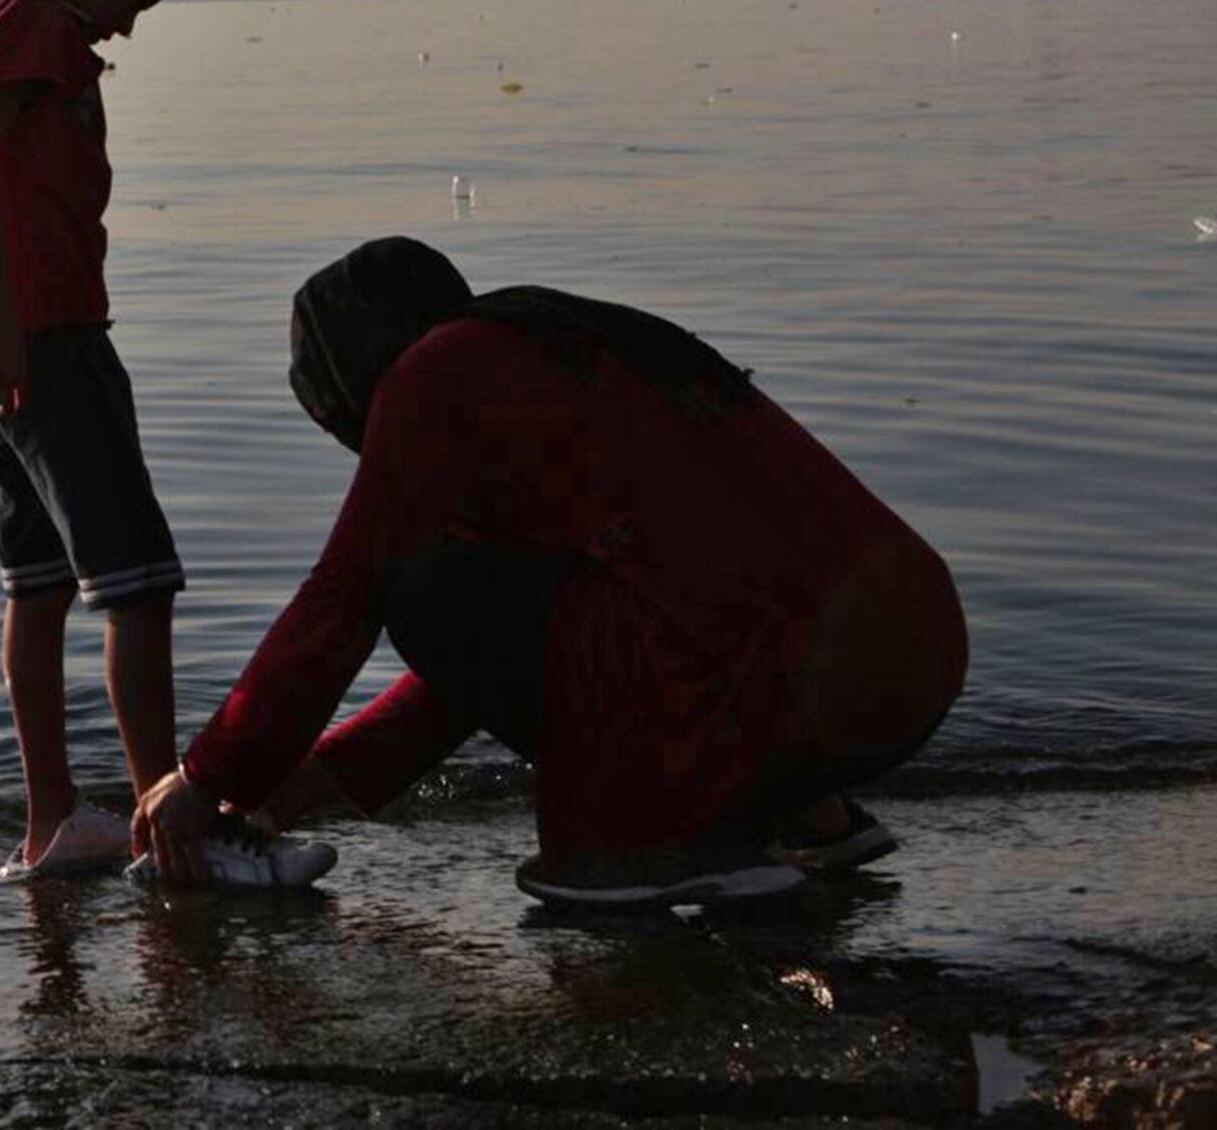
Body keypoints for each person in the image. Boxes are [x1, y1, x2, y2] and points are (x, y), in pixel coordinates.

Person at [131, 237, 969, 906]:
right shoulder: (558, 353)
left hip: (785, 673)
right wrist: (295, 789)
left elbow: (347, 597)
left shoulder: (436, 373)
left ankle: (639, 850)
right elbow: (503, 663)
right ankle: (810, 818)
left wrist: (205, 778)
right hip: (907, 657)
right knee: (563, 592)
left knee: (420, 584)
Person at [0, 0, 333, 888]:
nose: (127, 25)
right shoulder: (37, 19)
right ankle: (179, 834)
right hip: (45, 338)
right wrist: (12, 324)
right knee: (137, 584)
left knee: (39, 584)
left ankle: (56, 820)